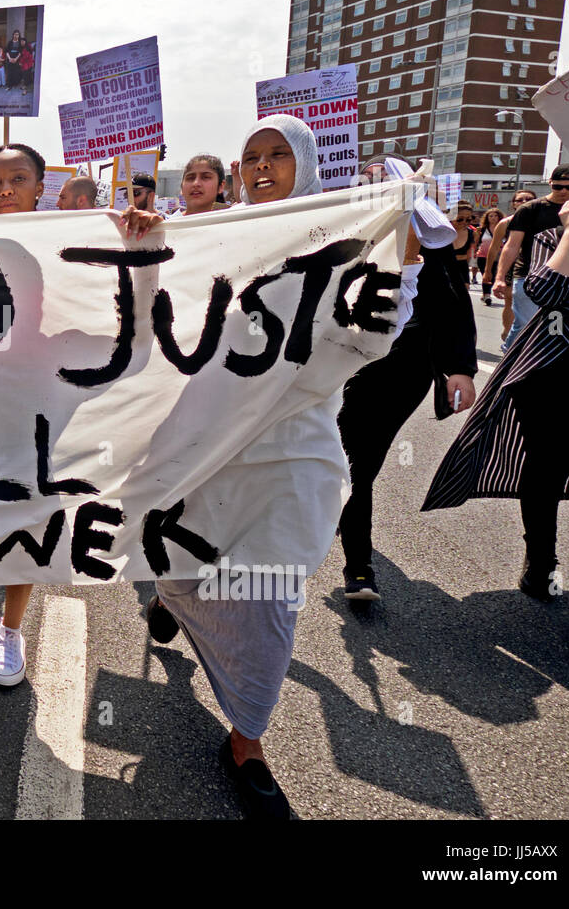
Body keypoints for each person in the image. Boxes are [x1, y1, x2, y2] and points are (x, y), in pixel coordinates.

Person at [144, 114, 370, 818]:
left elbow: (371, 337)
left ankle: (248, 738)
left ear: (305, 162)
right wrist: (144, 244)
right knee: (183, 570)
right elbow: (159, 316)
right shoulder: (213, 241)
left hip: (291, 460)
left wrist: (415, 260)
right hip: (208, 452)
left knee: (268, 600)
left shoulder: (349, 246)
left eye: (278, 155)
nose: (262, 167)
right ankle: (171, 603)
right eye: (251, 158)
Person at [0, 142, 161, 715]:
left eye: (19, 177)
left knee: (25, 527)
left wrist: (145, 251)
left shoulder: (74, 244)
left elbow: (133, 343)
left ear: (41, 186)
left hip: (32, 420)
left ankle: (11, 631)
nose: (6, 188)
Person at [424, 163, 569, 647]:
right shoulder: (558, 239)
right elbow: (545, 291)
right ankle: (540, 563)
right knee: (545, 470)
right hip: (555, 368)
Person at [336, 156, 478, 600]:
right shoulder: (342, 236)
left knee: (362, 462)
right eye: (369, 180)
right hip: (344, 364)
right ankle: (352, 553)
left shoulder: (431, 244)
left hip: (404, 369)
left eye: (385, 180)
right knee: (343, 457)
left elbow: (454, 306)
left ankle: (354, 551)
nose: (377, 186)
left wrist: (461, 369)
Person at [492, 165, 569, 353]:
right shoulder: (530, 209)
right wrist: (499, 278)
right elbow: (511, 245)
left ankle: (544, 364)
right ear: (550, 184)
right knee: (526, 325)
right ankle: (511, 361)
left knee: (555, 328)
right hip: (530, 276)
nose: (564, 191)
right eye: (558, 187)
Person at [484, 190, 538, 341]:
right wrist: (488, 271)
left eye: (529, 199)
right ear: (513, 204)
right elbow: (494, 248)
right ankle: (508, 335)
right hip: (512, 265)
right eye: (520, 200)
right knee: (510, 301)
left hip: (538, 264)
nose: (524, 202)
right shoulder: (505, 223)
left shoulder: (542, 219)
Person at [477, 207, 504, 305]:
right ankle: (487, 295)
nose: (493, 218)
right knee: (486, 275)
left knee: (493, 276)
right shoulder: (483, 229)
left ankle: (485, 294)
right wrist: (475, 251)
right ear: (487, 218)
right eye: (491, 216)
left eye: (495, 216)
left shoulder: (503, 228)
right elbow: (477, 241)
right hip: (483, 256)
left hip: (497, 256)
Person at [451, 199, 477, 288]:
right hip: (443, 268)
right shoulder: (443, 232)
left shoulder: (471, 233)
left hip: (462, 267)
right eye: (460, 219)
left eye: (468, 219)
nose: (464, 222)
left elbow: (469, 255)